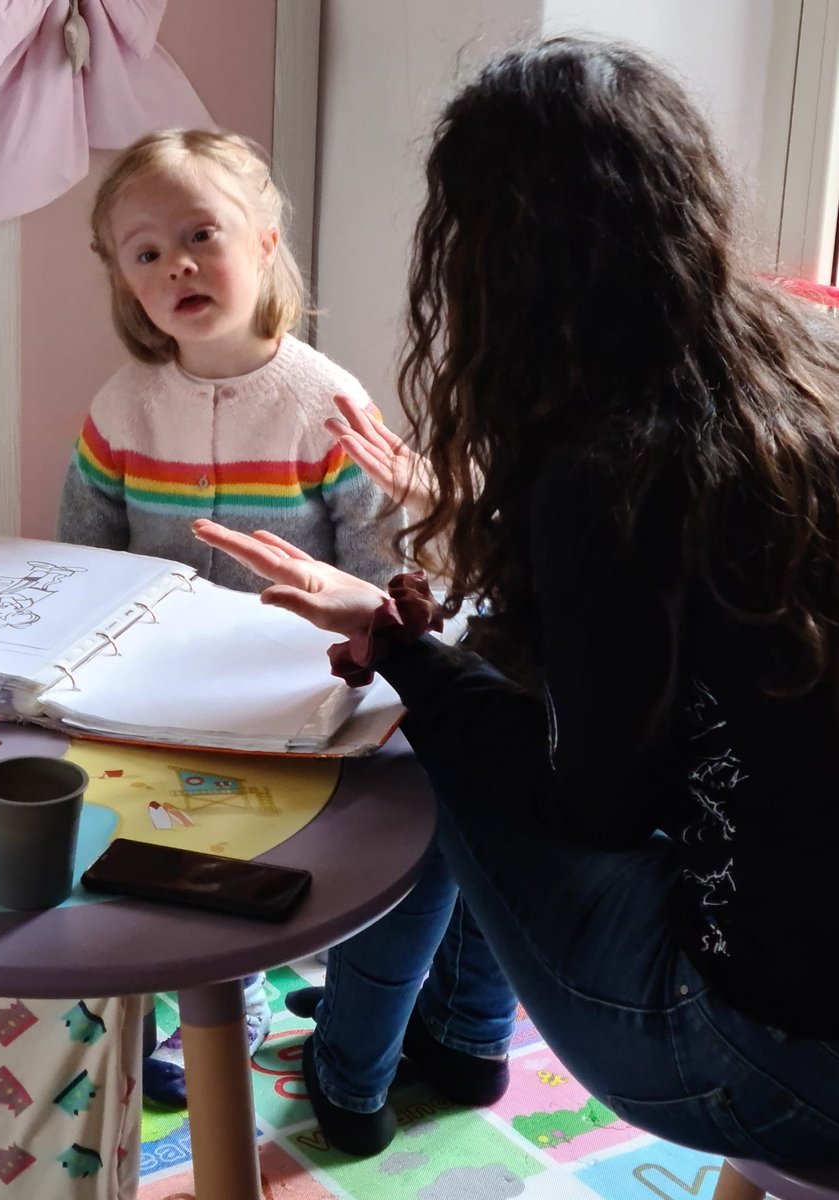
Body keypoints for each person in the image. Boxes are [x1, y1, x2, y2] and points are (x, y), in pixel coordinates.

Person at [193, 36, 839, 1164]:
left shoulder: (606, 473)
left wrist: (404, 653)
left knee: (436, 733)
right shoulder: (791, 377)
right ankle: (458, 1033)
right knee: (476, 681)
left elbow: (586, 802)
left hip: (760, 1058)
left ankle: (352, 1067)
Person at [56, 128, 411, 1107]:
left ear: (261, 241)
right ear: (125, 283)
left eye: (200, 233)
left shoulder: (323, 400)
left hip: (290, 692)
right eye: (144, 252)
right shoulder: (122, 407)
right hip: (156, 688)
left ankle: (235, 1001)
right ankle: (161, 993)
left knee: (257, 853)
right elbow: (77, 558)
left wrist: (360, 669)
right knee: (154, 842)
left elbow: (381, 567)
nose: (175, 263)